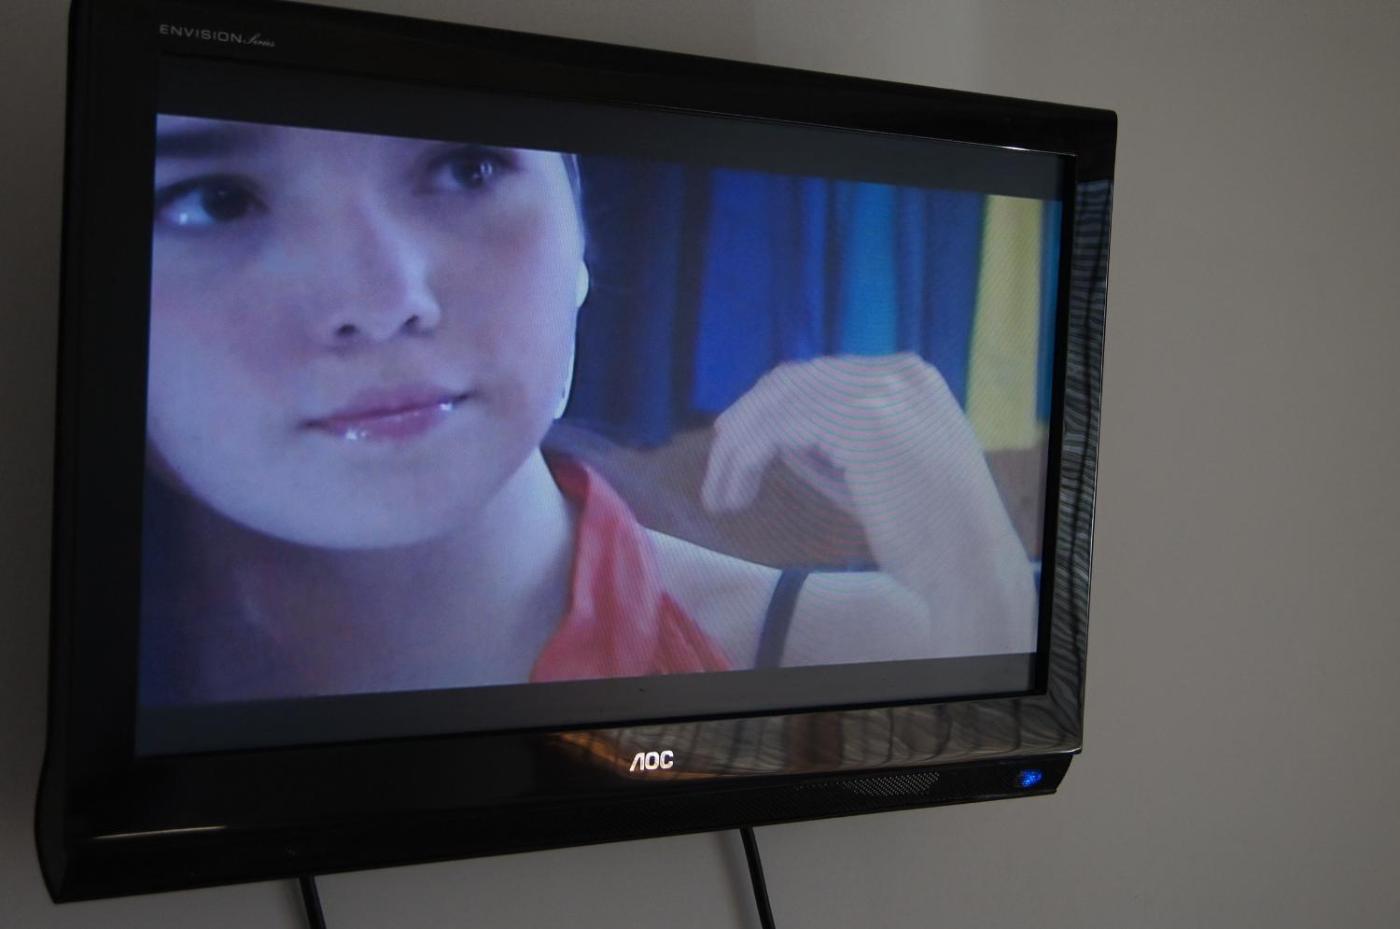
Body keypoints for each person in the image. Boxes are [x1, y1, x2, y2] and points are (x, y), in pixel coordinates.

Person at [141, 114, 1037, 704]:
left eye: (467, 166)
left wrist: (982, 583)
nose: (381, 299)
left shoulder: (871, 652)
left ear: (580, 236)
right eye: (216, 202)